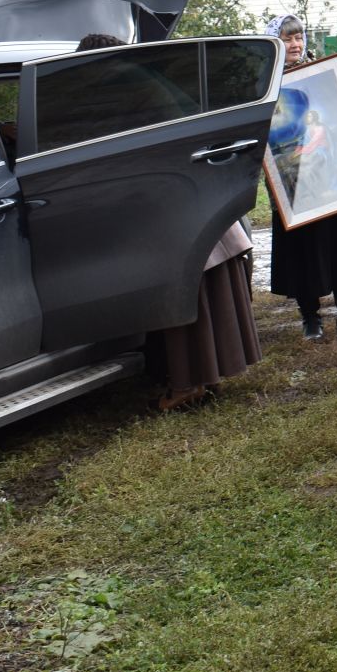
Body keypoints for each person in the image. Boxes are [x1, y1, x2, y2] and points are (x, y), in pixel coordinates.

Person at [71, 34, 263, 409]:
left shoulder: (128, 88)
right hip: (188, 198)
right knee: (201, 291)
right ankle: (204, 377)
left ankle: (189, 383)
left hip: (174, 205)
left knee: (183, 293)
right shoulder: (142, 80)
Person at [267, 14, 337, 342]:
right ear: (275, 42)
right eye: (287, 39)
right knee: (301, 248)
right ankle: (310, 317)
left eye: (298, 37)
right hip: (292, 182)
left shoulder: (327, 74)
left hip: (332, 175)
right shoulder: (265, 83)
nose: (295, 44)